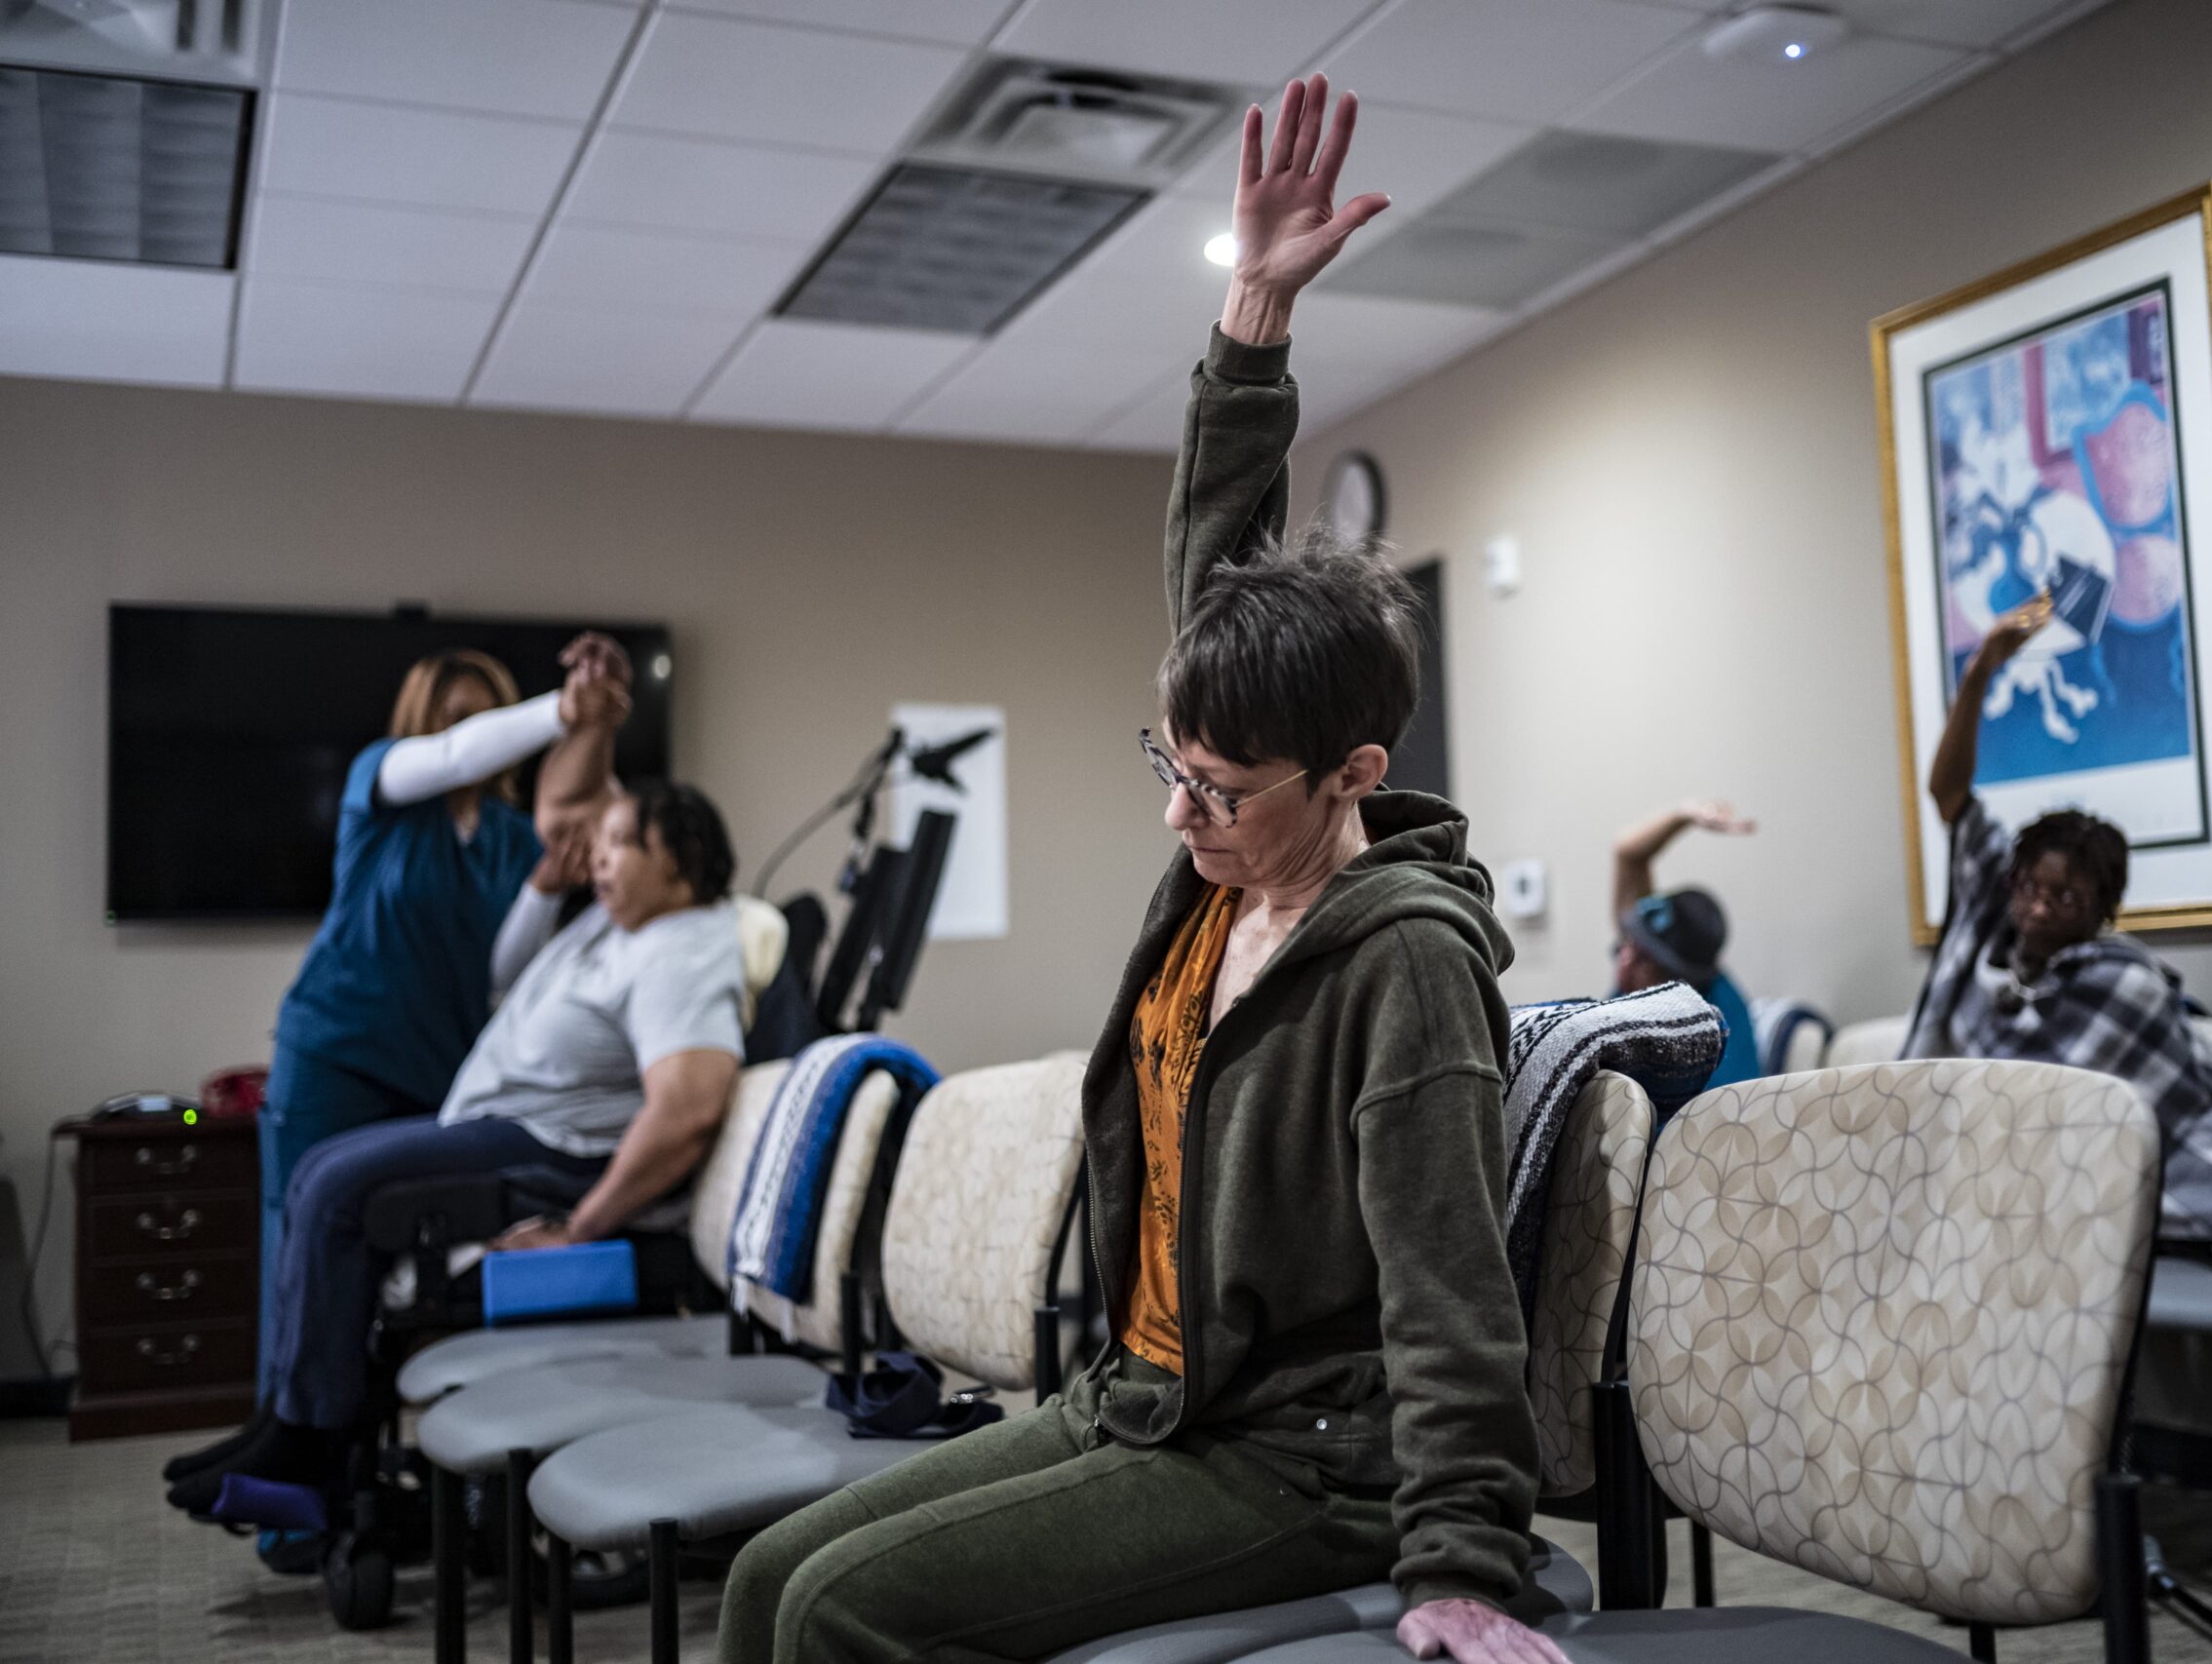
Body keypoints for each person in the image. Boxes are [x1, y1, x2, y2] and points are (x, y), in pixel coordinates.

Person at [719, 77, 1564, 1664]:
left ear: (1355, 774)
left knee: (840, 1612)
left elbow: (1451, 1287)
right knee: (769, 1574)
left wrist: (1461, 1559)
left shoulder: (1402, 961)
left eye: (1221, 788)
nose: (1181, 813)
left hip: (1307, 1461)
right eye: (1168, 765)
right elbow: (1216, 565)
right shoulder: (1230, 865)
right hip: (1146, 1394)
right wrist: (1254, 315)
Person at [165, 782, 747, 1507]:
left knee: (342, 1189)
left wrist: (582, 1227)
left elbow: (687, 1110)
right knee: (319, 1168)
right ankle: (288, 1417)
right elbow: (510, 962)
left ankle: (312, 1441)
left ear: (684, 859)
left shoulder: (684, 950)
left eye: (623, 843)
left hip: (560, 1154)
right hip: (509, 1127)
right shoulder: (621, 922)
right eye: (601, 843)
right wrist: (548, 882)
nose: (600, 857)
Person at [243, 637, 632, 1387]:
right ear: (424, 720)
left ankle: (374, 1440)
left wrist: (544, 891)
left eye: (490, 717)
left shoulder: (513, 836)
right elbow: (453, 757)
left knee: (402, 1266)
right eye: (459, 718)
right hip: (336, 1060)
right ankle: (292, 1449)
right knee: (303, 1252)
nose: (478, 736)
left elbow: (500, 974)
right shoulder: (381, 786)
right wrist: (562, 709)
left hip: (437, 1073)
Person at [1905, 594, 2212, 1258]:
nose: (2041, 908)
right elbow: (1948, 793)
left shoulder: (2124, 986)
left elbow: (2106, 1119)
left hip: (2130, 1200)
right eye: (2031, 888)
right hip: (2001, 1197)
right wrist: (1980, 670)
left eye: (2067, 898)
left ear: (2104, 909)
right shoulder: (1993, 926)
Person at [1610, 802, 1762, 1092]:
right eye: (1629, 942)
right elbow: (1628, 854)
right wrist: (1685, 815)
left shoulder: (1715, 1033)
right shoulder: (1637, 976)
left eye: (1643, 959)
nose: (1624, 959)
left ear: (1680, 983)